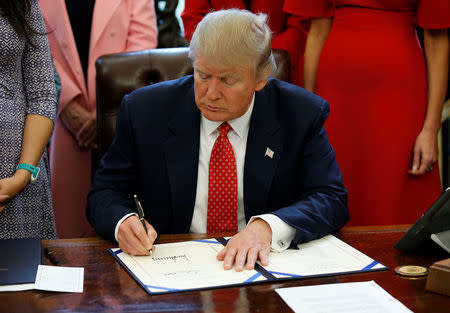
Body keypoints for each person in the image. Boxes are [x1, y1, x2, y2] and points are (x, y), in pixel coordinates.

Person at [87, 9, 349, 271]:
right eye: (202, 75)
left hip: (261, 267)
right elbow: (104, 192)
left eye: (228, 80)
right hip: (170, 267)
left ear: (261, 78)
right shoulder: (145, 111)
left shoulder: (300, 114)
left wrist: (267, 226)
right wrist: (123, 221)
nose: (211, 93)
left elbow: (331, 198)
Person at [287, 1, 450, 225]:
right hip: (335, 89)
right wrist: (308, 115)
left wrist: (431, 128)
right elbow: (316, 32)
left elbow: (437, 39)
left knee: (392, 192)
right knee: (332, 181)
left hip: (399, 90)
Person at [38, 0, 158, 238]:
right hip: (62, 117)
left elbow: (142, 46)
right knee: (67, 226)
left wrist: (105, 108)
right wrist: (67, 103)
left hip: (121, 112)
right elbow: (39, 49)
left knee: (122, 216)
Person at [0, 0, 57, 239]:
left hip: (19, 182)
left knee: (24, 273)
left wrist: (22, 176)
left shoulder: (23, 4)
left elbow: (42, 93)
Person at [181, 0, 307, 86]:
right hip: (218, 63)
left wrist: (263, 55)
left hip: (278, 64)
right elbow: (193, 21)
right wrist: (230, 53)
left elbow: (299, 24)